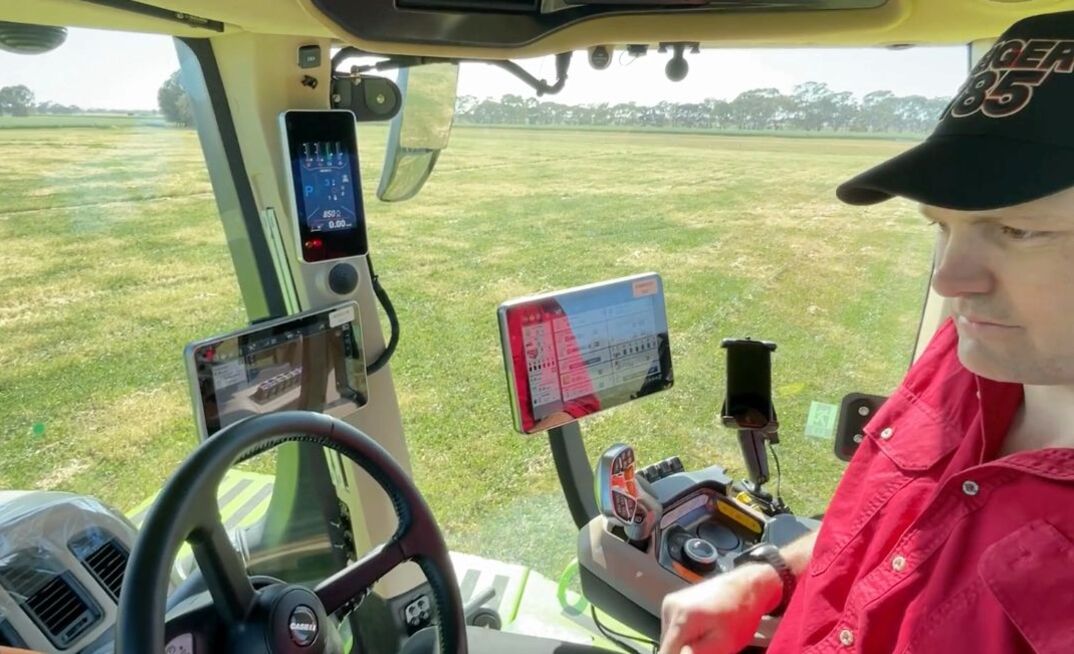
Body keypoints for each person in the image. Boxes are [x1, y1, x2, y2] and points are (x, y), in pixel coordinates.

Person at [659, 11, 1074, 654]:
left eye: (1019, 231)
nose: (948, 280)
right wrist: (766, 577)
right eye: (941, 227)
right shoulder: (972, 356)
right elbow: (887, 525)